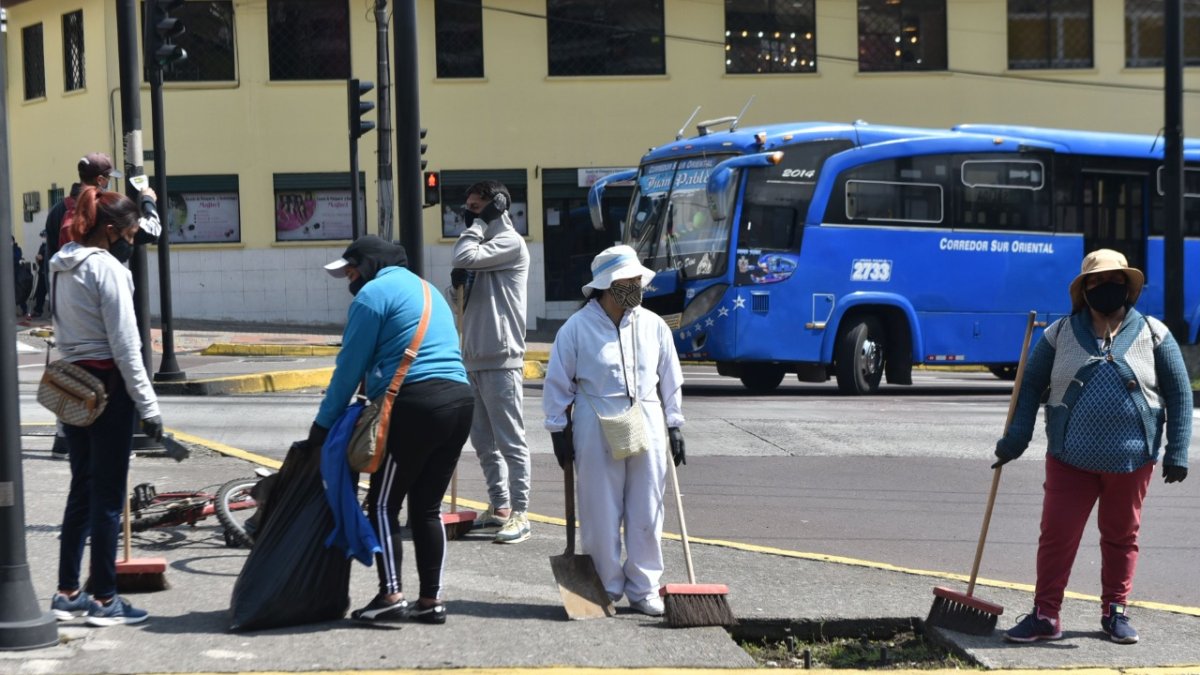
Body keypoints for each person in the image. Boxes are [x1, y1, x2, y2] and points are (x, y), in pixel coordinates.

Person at [993, 249, 1192, 645]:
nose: (1106, 287)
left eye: (1114, 280)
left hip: (1132, 460)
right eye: (1096, 281)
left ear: (1127, 286)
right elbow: (1029, 387)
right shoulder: (1059, 334)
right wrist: (1015, 439)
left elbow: (1180, 393)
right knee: (1057, 536)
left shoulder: (1154, 333)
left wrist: (1178, 450)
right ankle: (1046, 614)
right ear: (1084, 290)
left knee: (1121, 537)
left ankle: (1115, 612)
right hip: (1069, 459)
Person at [304, 236, 474, 624]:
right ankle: (431, 601)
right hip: (460, 401)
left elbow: (349, 368)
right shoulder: (428, 290)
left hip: (415, 405)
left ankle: (391, 595)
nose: (349, 280)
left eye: (351, 271)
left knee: (383, 503)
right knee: (427, 507)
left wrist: (322, 425)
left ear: (369, 264)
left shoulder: (371, 296)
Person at [541, 245, 686, 616]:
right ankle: (604, 585)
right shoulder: (576, 329)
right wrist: (558, 430)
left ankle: (644, 587)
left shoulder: (654, 326)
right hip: (595, 423)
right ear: (606, 285)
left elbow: (670, 378)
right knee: (599, 510)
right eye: (627, 281)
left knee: (648, 508)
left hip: (647, 419)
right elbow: (557, 382)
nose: (635, 287)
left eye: (637, 280)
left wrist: (674, 424)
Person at [48, 187, 165, 627]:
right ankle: (104, 598)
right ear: (112, 230)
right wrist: (149, 407)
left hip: (71, 385)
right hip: (108, 388)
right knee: (109, 498)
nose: (131, 241)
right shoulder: (109, 270)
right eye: (130, 234)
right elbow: (127, 347)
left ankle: (67, 592)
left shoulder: (60, 265)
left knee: (81, 488)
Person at [450, 180, 533, 544]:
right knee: (483, 442)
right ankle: (499, 506)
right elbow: (462, 302)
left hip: (501, 357)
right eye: (468, 207)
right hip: (473, 355)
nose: (469, 213)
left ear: (497, 205)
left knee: (511, 441)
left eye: (476, 206)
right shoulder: (480, 245)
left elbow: (464, 257)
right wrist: (456, 287)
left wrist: (478, 225)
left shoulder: (509, 243)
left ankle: (520, 512)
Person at [33, 229, 49, 317]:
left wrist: (43, 258)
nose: (43, 238)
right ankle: (38, 310)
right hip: (42, 272)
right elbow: (39, 258)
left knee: (51, 293)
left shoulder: (51, 246)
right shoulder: (42, 246)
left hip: (49, 273)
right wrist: (37, 258)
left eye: (44, 236)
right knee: (40, 292)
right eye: (42, 236)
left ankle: (53, 312)